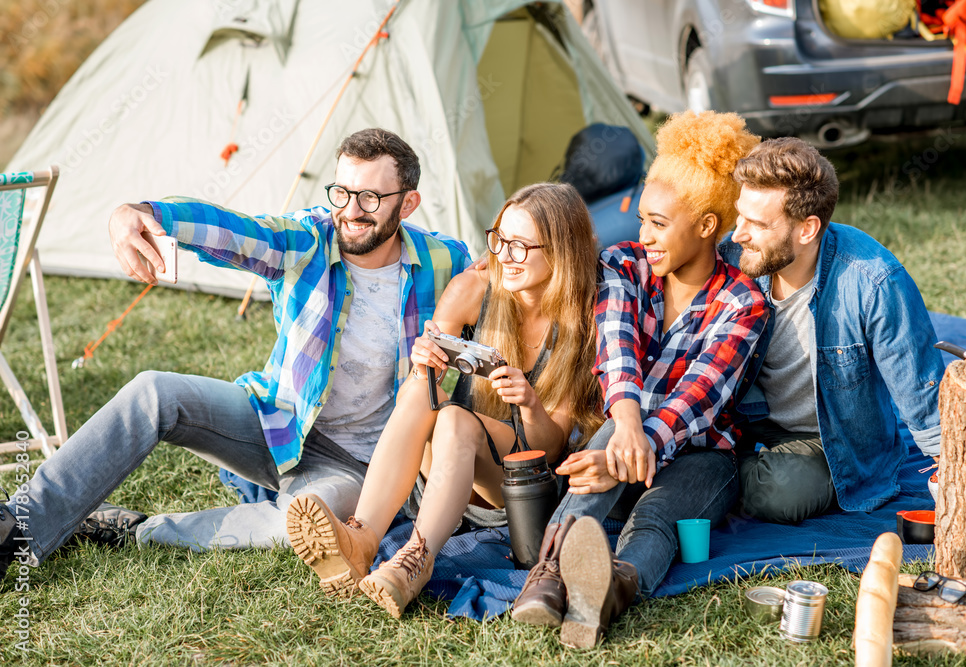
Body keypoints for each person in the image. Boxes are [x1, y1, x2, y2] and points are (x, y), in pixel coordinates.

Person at [0, 128, 470, 580]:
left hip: (363, 467)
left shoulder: (447, 263)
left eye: (370, 197)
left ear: (408, 203)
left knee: (305, 526)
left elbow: (508, 291)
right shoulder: (306, 241)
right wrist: (140, 212)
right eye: (342, 193)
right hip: (276, 422)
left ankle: (138, 528)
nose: (351, 210)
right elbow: (233, 230)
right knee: (154, 391)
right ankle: (19, 525)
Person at [509, 110, 769, 648]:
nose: (643, 234)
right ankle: (552, 574)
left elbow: (698, 399)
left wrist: (626, 449)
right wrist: (624, 427)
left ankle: (604, 595)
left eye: (658, 223)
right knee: (621, 422)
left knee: (655, 523)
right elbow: (615, 351)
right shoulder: (622, 264)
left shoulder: (743, 302)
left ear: (705, 226)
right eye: (642, 217)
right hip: (616, 441)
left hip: (700, 455)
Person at [284, 182, 603, 618]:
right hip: (445, 473)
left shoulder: (583, 322)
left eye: (522, 246)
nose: (504, 256)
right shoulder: (476, 287)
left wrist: (529, 402)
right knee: (421, 388)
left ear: (561, 251)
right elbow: (426, 374)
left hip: (517, 488)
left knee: (455, 420)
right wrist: (424, 360)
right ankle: (362, 537)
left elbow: (551, 449)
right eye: (500, 240)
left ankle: (416, 558)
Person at [717, 137, 944, 524]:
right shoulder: (733, 255)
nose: (738, 234)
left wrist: (952, 472)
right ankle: (722, 470)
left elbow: (921, 389)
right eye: (740, 216)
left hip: (831, 440)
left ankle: (718, 475)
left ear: (807, 229)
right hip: (748, 423)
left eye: (756, 224)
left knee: (780, 496)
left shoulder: (873, 280)